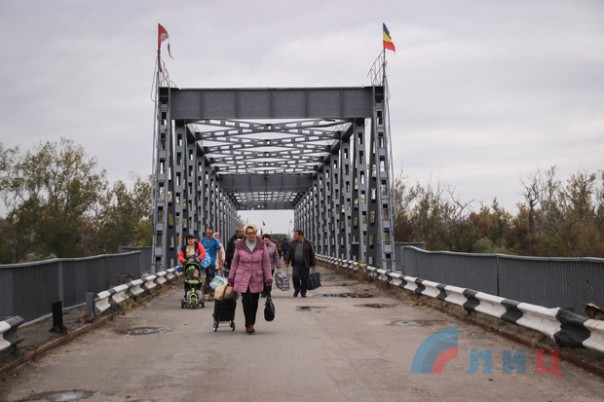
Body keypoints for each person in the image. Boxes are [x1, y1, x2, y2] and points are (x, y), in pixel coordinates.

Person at [228, 224, 273, 334]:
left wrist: (268, 277)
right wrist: (231, 277)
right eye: (249, 233)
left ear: (256, 233)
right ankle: (249, 324)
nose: (251, 235)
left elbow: (266, 262)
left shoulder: (261, 245)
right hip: (243, 276)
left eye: (253, 233)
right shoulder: (240, 245)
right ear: (246, 234)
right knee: (246, 299)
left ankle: (251, 321)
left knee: (254, 301)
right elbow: (234, 262)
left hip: (257, 276)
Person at [285, 229, 316, 298]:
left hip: (305, 264)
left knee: (305, 279)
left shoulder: (308, 243)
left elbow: (312, 253)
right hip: (296, 264)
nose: (294, 236)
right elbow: (289, 253)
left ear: (300, 235)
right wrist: (287, 261)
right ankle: (297, 289)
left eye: (296, 234)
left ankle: (303, 292)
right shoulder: (293, 243)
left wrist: (313, 264)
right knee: (295, 277)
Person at [178, 234, 206, 299]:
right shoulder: (184, 248)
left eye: (192, 238)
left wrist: (199, 258)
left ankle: (198, 289)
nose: (190, 240)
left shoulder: (198, 245)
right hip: (187, 265)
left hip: (197, 264)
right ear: (187, 240)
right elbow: (180, 256)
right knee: (186, 279)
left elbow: (203, 252)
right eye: (189, 239)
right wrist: (183, 259)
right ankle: (187, 292)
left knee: (200, 277)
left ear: (194, 239)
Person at [201, 227, 223, 297]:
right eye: (207, 233)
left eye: (210, 233)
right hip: (203, 263)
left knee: (211, 279)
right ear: (205, 233)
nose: (208, 235)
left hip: (211, 263)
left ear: (212, 233)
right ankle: (202, 295)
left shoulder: (215, 241)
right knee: (202, 279)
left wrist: (220, 264)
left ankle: (210, 295)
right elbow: (199, 250)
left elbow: (219, 252)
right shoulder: (203, 240)